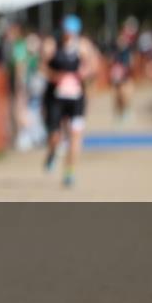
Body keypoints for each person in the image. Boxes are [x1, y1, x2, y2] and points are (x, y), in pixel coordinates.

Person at [41, 15, 99, 188]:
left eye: (71, 32)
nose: (68, 35)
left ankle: (69, 172)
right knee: (55, 136)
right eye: (66, 31)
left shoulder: (83, 46)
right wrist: (55, 76)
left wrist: (84, 72)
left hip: (76, 99)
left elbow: (94, 65)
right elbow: (42, 66)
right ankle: (52, 152)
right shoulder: (52, 45)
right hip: (55, 98)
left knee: (75, 136)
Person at [109, 17, 138, 122]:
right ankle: (118, 111)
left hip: (127, 72)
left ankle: (126, 110)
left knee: (127, 93)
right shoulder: (117, 42)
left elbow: (132, 57)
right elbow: (112, 57)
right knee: (118, 94)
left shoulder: (132, 43)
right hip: (118, 71)